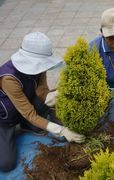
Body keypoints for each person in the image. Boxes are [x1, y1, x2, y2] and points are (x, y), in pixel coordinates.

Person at [0, 32, 85, 172]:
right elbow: (29, 113)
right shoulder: (9, 78)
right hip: (5, 119)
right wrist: (61, 130)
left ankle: (27, 126)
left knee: (39, 124)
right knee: (6, 164)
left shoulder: (39, 68)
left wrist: (55, 96)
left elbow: (42, 92)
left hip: (25, 108)